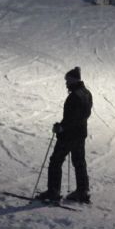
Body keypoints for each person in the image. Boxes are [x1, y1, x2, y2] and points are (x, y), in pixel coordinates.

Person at [38, 66, 94, 205]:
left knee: (56, 161)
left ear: (73, 81)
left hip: (69, 135)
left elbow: (71, 118)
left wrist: (61, 127)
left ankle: (53, 191)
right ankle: (82, 190)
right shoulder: (87, 93)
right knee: (79, 161)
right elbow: (82, 116)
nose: (66, 83)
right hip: (81, 134)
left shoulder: (74, 96)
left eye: (67, 80)